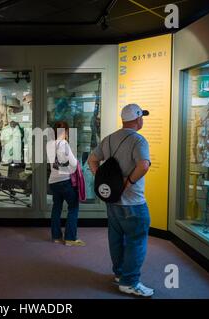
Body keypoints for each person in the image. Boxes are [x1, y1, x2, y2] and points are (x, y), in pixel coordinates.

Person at [88, 104, 153, 297]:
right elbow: (143, 165)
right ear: (138, 119)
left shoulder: (109, 139)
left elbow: (92, 159)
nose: (142, 121)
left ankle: (119, 275)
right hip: (133, 202)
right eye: (142, 118)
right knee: (136, 240)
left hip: (112, 202)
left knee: (116, 239)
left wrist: (102, 180)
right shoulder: (138, 140)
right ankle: (130, 282)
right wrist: (127, 182)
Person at [47, 121, 85, 247]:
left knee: (56, 208)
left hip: (53, 181)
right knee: (73, 208)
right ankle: (70, 238)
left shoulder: (49, 144)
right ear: (65, 131)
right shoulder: (64, 144)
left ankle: (56, 236)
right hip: (65, 181)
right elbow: (74, 163)